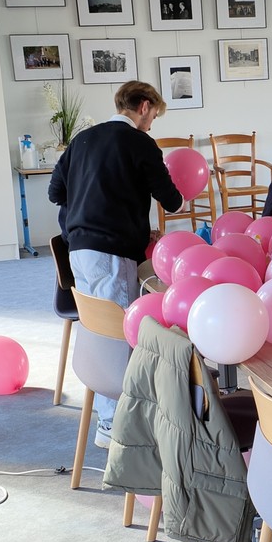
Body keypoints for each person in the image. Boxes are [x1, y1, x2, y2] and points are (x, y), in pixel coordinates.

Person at [48, 79, 183, 446]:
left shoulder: (82, 140)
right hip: (110, 251)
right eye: (154, 114)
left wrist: (96, 204)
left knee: (99, 329)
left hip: (79, 250)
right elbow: (172, 201)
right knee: (119, 336)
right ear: (143, 106)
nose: (152, 122)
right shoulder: (141, 143)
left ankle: (112, 419)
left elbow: (55, 192)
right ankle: (115, 425)